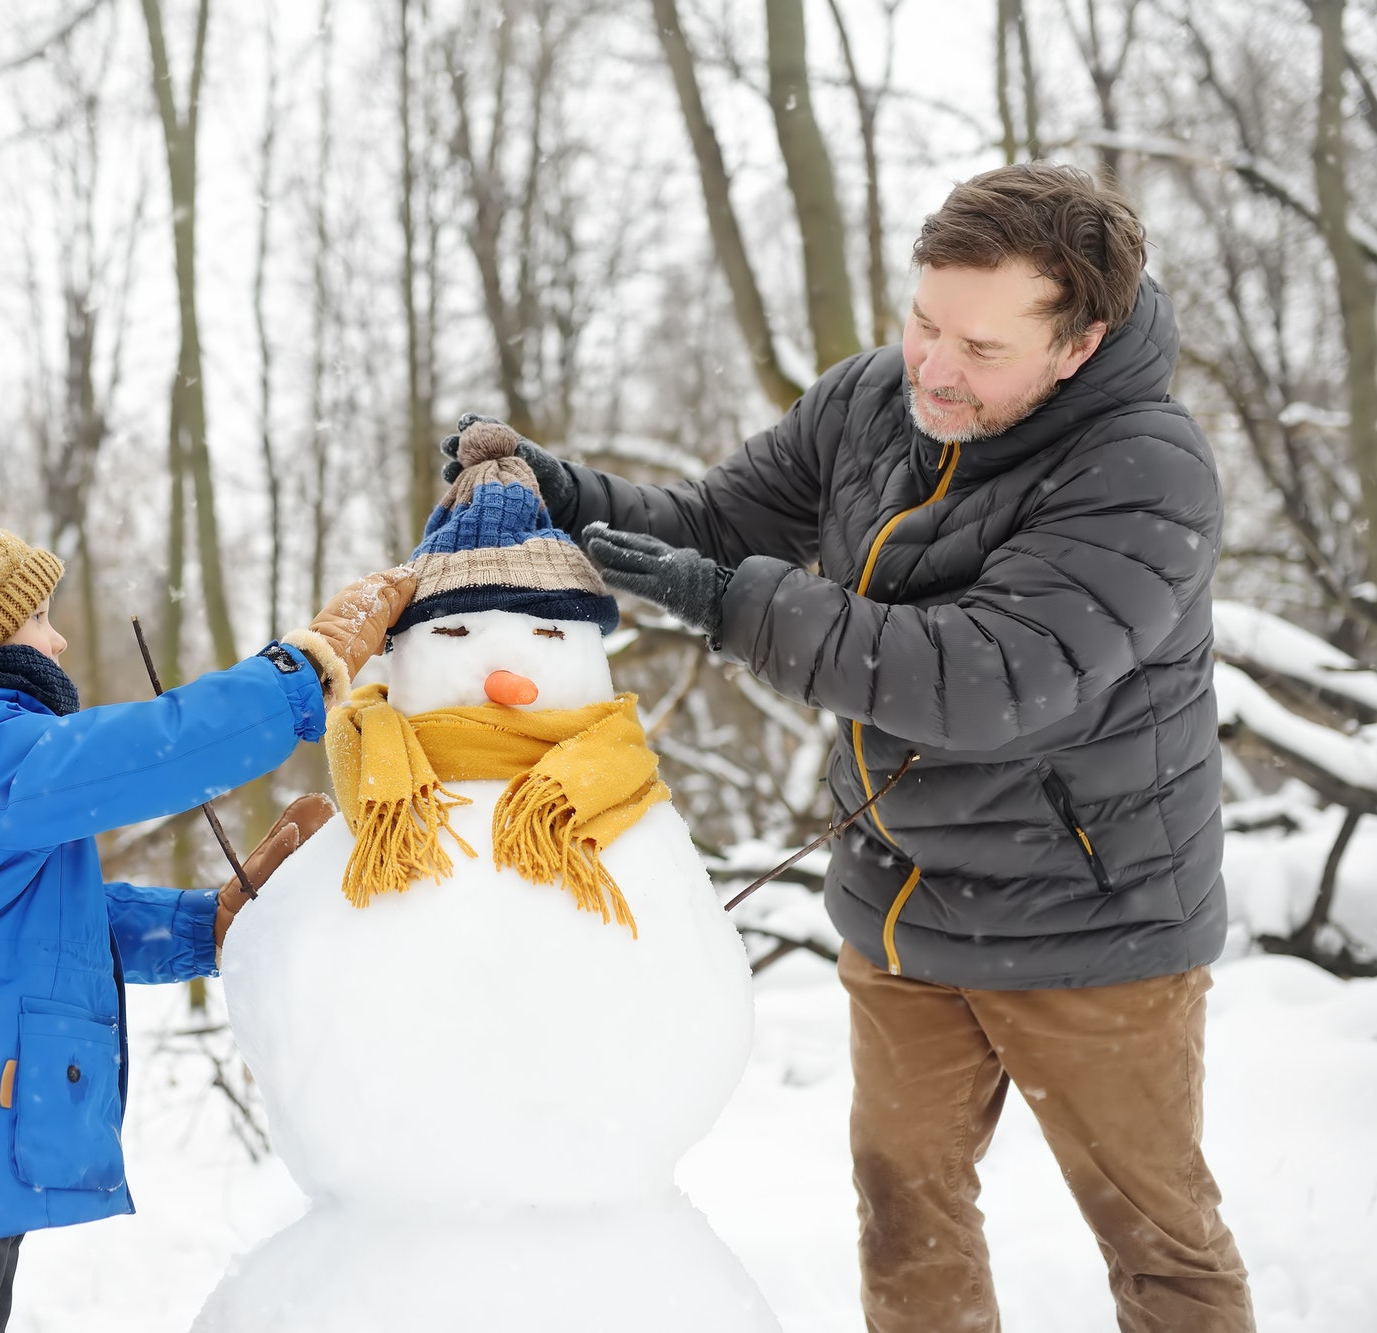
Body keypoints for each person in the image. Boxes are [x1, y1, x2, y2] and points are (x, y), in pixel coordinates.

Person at [442, 163, 1253, 1332]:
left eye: (980, 349)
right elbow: (715, 527)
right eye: (923, 323)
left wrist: (735, 603)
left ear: (1076, 343)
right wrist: (557, 492)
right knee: (904, 1212)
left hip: (1093, 924)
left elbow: (985, 677)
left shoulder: (1143, 467)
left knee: (1155, 1241)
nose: (932, 366)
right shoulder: (871, 401)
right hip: (905, 902)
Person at [0, 517, 413, 1333]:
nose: (57, 640)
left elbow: (46, 923)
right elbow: (158, 749)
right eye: (37, 618)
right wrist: (303, 671)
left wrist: (206, 926)